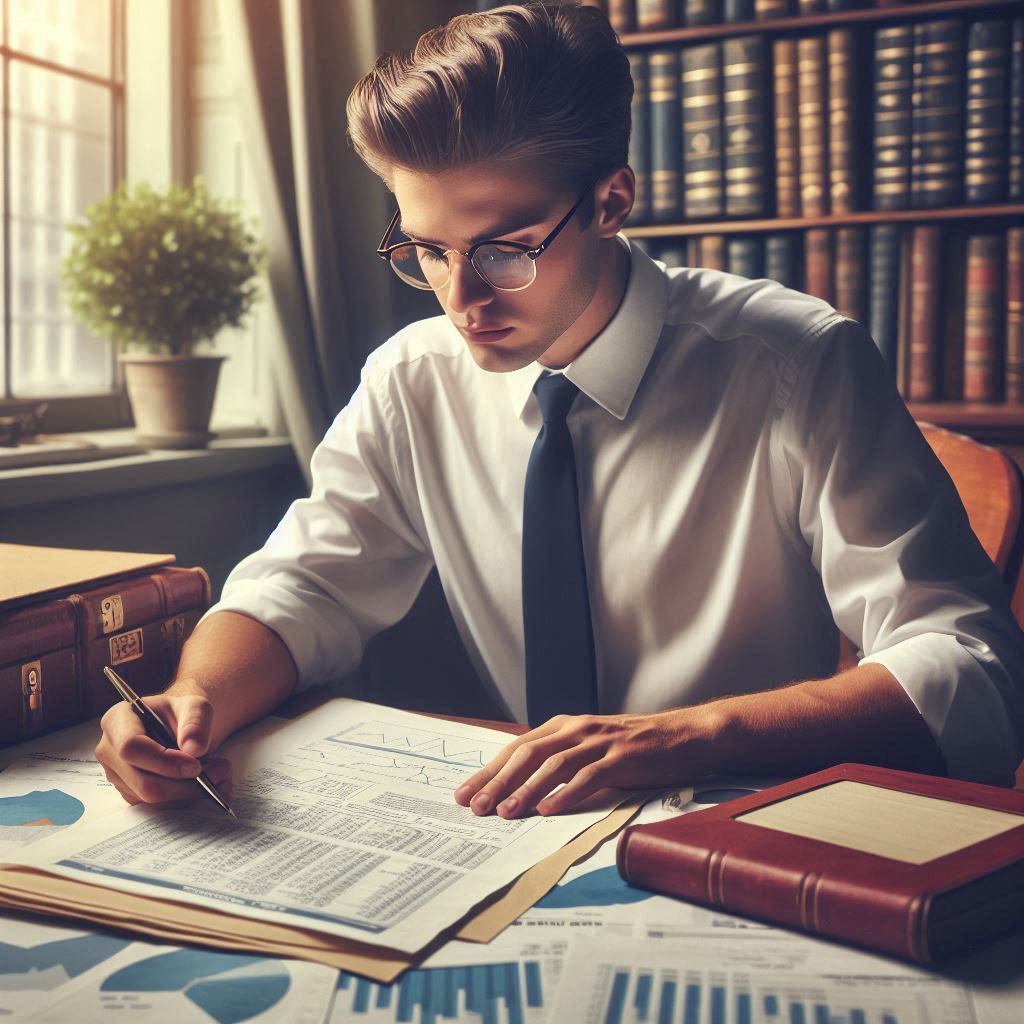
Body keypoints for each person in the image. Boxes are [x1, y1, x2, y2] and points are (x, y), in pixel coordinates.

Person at [96, 2, 1024, 820]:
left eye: (504, 249)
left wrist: (684, 737)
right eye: (426, 249)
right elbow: (303, 588)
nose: (461, 300)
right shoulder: (411, 378)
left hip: (748, 820)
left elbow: (972, 666)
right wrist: (195, 697)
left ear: (612, 199)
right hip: (522, 830)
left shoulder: (800, 363)